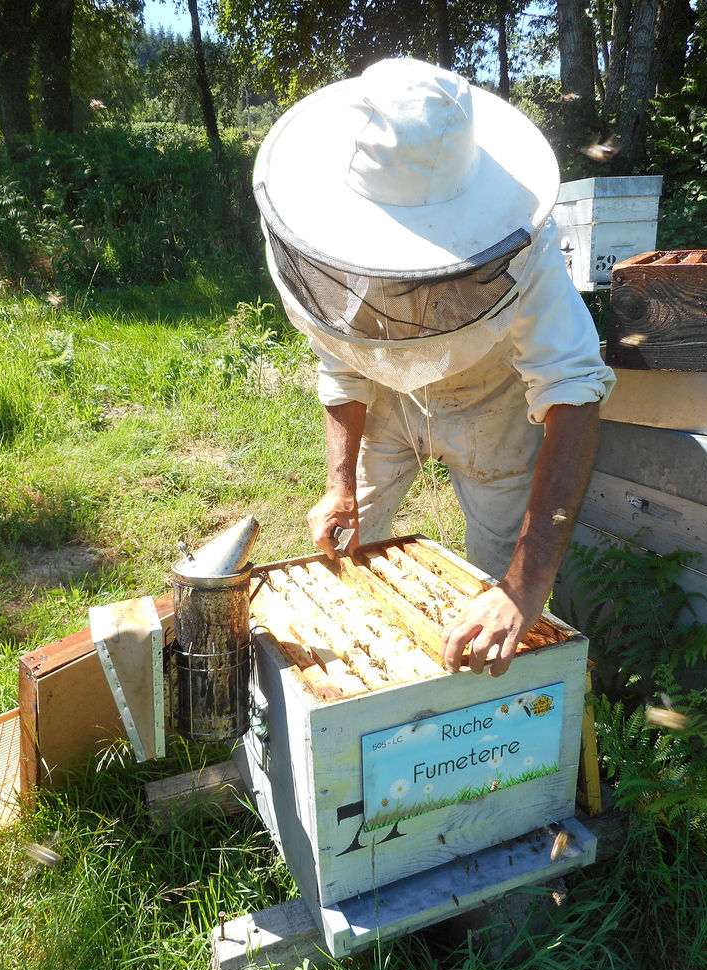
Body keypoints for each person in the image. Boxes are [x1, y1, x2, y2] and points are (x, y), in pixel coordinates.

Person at [253, 57, 616, 677]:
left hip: (493, 404)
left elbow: (574, 391)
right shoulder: (324, 234)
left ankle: (490, 736)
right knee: (345, 541)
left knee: (501, 598)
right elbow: (341, 358)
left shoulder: (520, 234)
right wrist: (339, 485)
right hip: (388, 407)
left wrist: (524, 587)